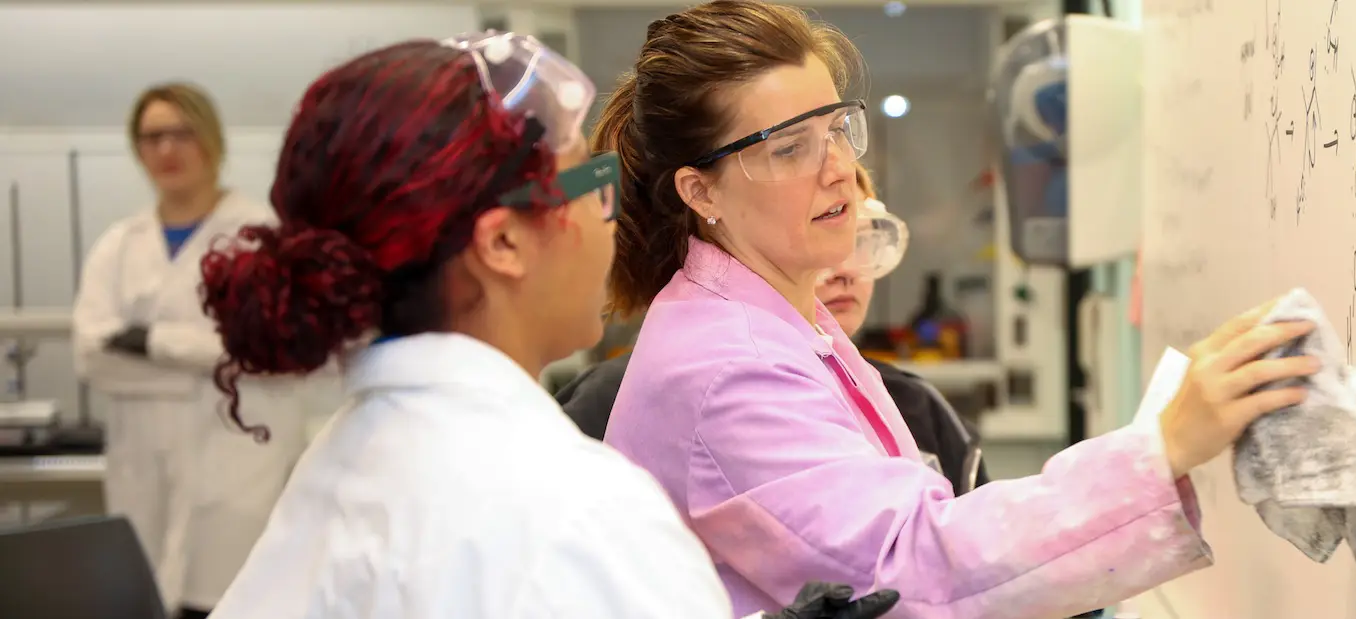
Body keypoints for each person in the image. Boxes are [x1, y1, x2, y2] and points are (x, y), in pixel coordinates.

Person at [594, 2, 1321, 617]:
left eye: (838, 127)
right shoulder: (726, 365)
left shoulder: (781, 318)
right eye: (789, 148)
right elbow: (909, 566)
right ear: (702, 192)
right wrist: (1163, 447)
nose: (839, 167)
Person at [194, 32, 894, 619]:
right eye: (586, 185)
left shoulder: (337, 464)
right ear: (502, 244)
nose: (607, 216)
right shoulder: (571, 511)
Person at [557, 165, 989, 495]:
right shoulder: (627, 397)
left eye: (860, 240)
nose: (843, 271)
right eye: (822, 230)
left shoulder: (915, 409)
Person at [71, 82, 329, 619]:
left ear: (211, 139)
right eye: (152, 137)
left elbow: (282, 354)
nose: (167, 149)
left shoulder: (262, 237)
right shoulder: (119, 245)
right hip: (145, 471)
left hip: (237, 468)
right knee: (142, 600)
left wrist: (152, 343)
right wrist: (215, 361)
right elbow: (91, 356)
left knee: (234, 600)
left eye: (181, 133)